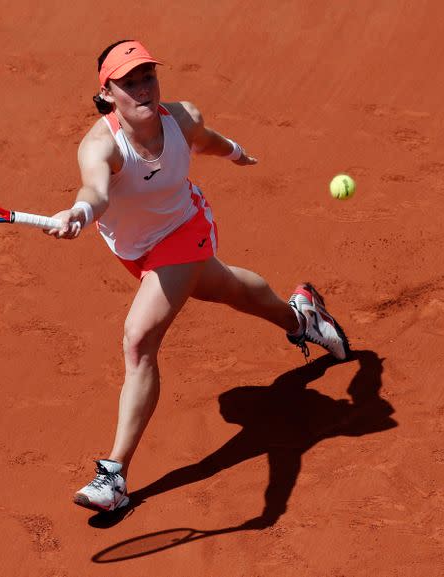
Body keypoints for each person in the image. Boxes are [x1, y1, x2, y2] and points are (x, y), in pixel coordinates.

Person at [45, 40, 350, 513]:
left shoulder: (180, 117)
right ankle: (302, 317)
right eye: (130, 82)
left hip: (185, 229)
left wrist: (236, 153)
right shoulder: (100, 145)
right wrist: (82, 212)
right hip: (137, 249)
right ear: (107, 94)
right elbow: (95, 190)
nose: (143, 88)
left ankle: (114, 476)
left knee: (139, 339)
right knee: (224, 287)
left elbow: (206, 141)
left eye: (147, 76)